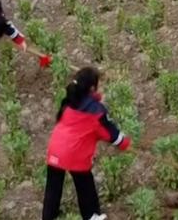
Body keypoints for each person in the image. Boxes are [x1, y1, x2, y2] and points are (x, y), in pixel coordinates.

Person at [42, 67, 131, 220]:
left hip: (55, 149)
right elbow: (109, 133)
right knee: (85, 183)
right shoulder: (96, 110)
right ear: (92, 87)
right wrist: (124, 142)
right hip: (74, 153)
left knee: (53, 189)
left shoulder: (70, 102)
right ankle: (91, 215)